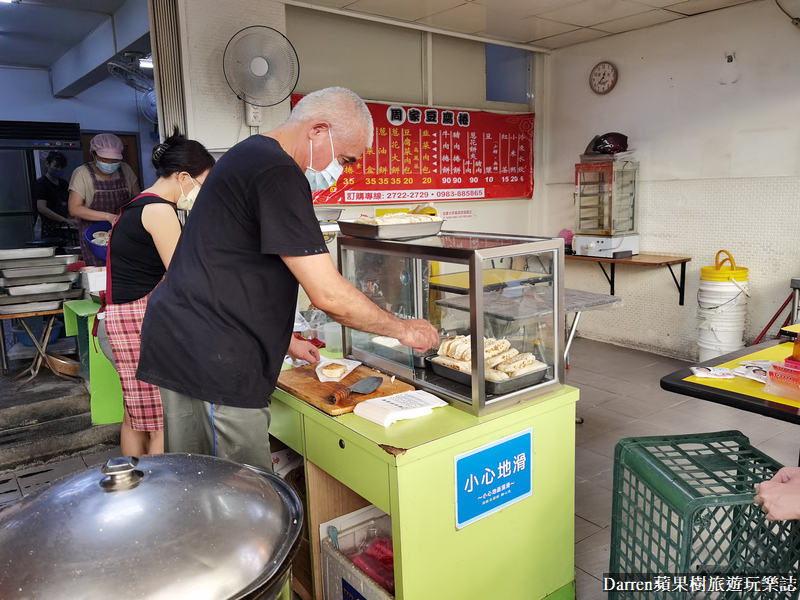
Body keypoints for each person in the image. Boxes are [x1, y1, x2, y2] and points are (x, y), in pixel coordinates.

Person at [137, 87, 439, 472]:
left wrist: (287, 341)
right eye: (345, 159)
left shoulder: (250, 154)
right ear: (318, 131)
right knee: (239, 488)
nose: (341, 171)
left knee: (198, 477)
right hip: (214, 355)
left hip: (191, 340)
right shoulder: (278, 171)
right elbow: (328, 295)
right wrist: (403, 330)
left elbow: (231, 263)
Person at [105, 130, 214, 457]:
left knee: (135, 417)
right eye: (203, 182)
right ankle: (156, 497)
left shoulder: (136, 205)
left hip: (121, 316)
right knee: (159, 422)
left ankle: (132, 487)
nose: (203, 191)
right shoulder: (159, 210)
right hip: (138, 321)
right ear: (183, 177)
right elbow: (182, 277)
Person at [68, 133, 140, 266]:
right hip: (93, 239)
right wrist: (108, 217)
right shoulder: (82, 173)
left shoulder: (125, 170)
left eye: (114, 160)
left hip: (122, 235)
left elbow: (137, 200)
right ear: (93, 153)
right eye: (105, 159)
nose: (110, 163)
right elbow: (74, 209)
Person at [34, 151, 77, 239]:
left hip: (63, 227)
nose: (58, 170)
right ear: (47, 164)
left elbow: (70, 204)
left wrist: (73, 219)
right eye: (55, 166)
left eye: (61, 167)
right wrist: (64, 220)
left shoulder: (63, 183)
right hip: (47, 228)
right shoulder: (41, 183)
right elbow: (42, 208)